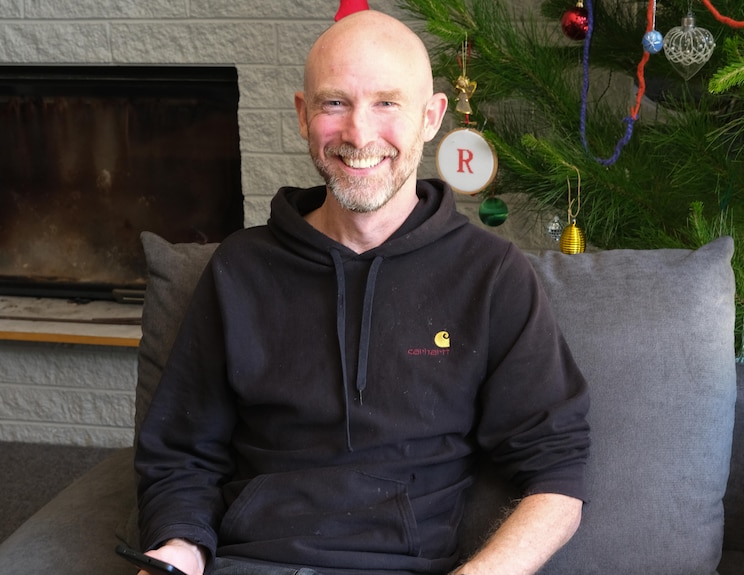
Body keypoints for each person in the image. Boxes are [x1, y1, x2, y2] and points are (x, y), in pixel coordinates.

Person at [134, 9, 590, 575]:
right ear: (303, 116)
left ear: (431, 117)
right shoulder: (240, 268)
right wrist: (179, 551)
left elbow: (559, 469)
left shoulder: (490, 273)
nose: (359, 134)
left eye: (387, 103)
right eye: (334, 103)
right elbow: (180, 456)